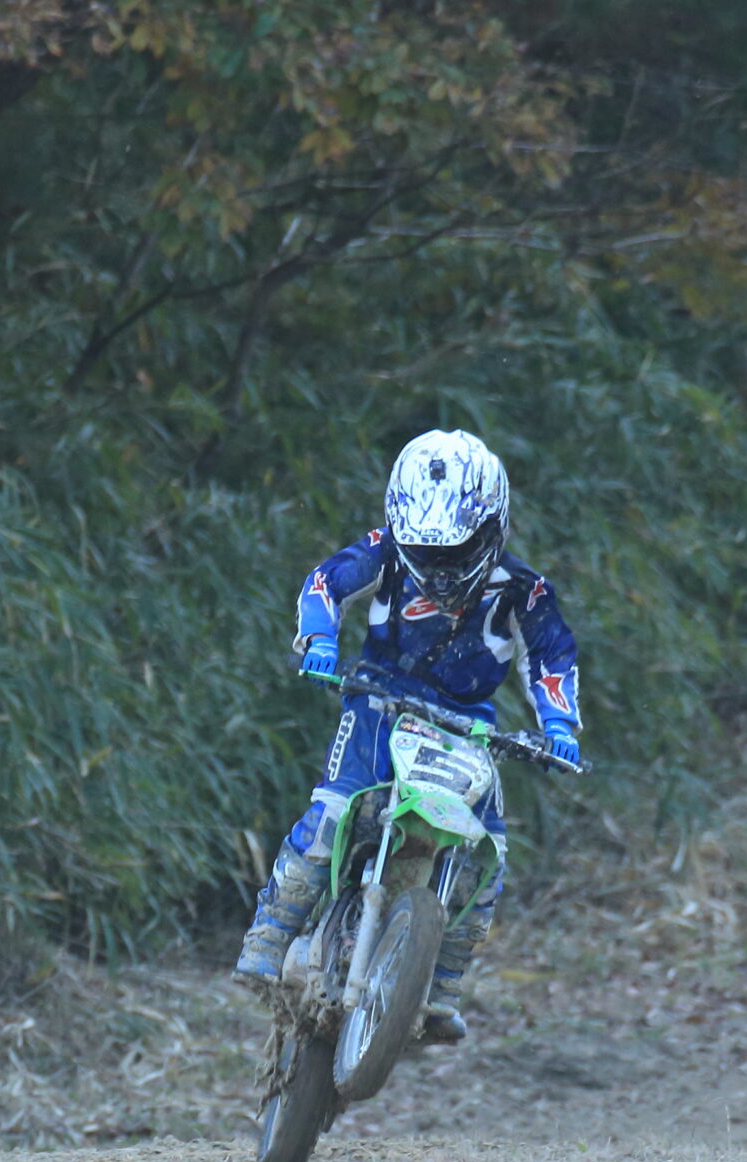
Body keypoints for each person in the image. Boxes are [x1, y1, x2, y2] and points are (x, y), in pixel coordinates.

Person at [233, 429, 583, 1043]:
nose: (441, 568)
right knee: (334, 812)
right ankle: (269, 932)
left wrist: (557, 725)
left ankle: (440, 985)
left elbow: (551, 656)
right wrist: (319, 639)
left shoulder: (524, 591)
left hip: (467, 726)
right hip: (379, 700)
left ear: (492, 528)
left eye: (458, 550)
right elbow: (326, 582)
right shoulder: (385, 552)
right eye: (426, 549)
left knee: (487, 855)